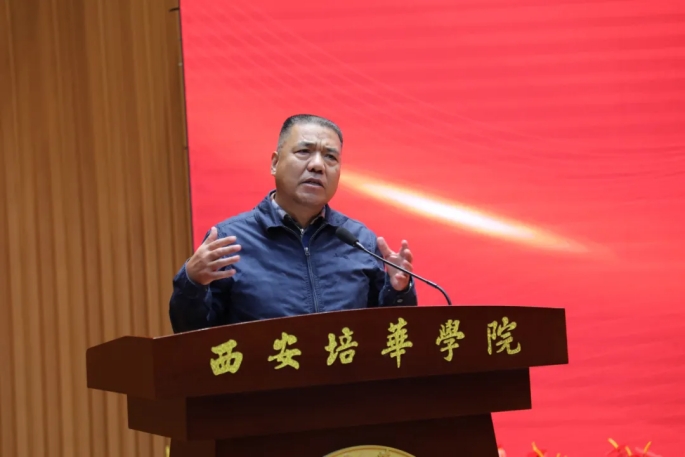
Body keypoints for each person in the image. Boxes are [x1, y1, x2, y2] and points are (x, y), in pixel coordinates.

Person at [169, 114, 418, 333]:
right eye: (304, 152)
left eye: (330, 157)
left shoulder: (360, 241)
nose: (317, 165)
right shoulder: (229, 241)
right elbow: (190, 331)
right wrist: (192, 282)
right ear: (275, 163)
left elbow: (390, 335)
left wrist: (399, 291)